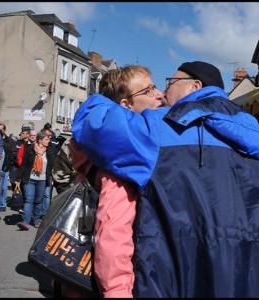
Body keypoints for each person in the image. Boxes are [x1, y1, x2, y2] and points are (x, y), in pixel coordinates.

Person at [72, 61, 259, 297]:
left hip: (172, 282)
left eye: (170, 82)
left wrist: (107, 99)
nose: (163, 92)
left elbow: (96, 125)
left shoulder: (161, 129)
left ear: (194, 86)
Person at [63, 65, 164, 298]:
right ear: (126, 105)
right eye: (148, 91)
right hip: (106, 283)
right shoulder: (121, 159)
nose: (158, 94)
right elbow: (113, 233)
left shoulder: (104, 146)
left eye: (155, 87)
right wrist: (118, 291)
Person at [15, 129, 56, 230]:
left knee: (38, 201)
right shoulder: (30, 149)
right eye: (46, 139)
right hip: (30, 179)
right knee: (28, 200)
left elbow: (52, 165)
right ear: (40, 140)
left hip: (42, 179)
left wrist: (52, 177)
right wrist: (17, 178)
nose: (48, 141)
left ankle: (36, 220)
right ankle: (25, 222)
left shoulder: (50, 151)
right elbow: (24, 164)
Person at [0, 123, 17, 221]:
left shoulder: (9, 141)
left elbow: (12, 155)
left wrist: (9, 166)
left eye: (1, 130)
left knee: (2, 189)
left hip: (4, 169)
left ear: (4, 130)